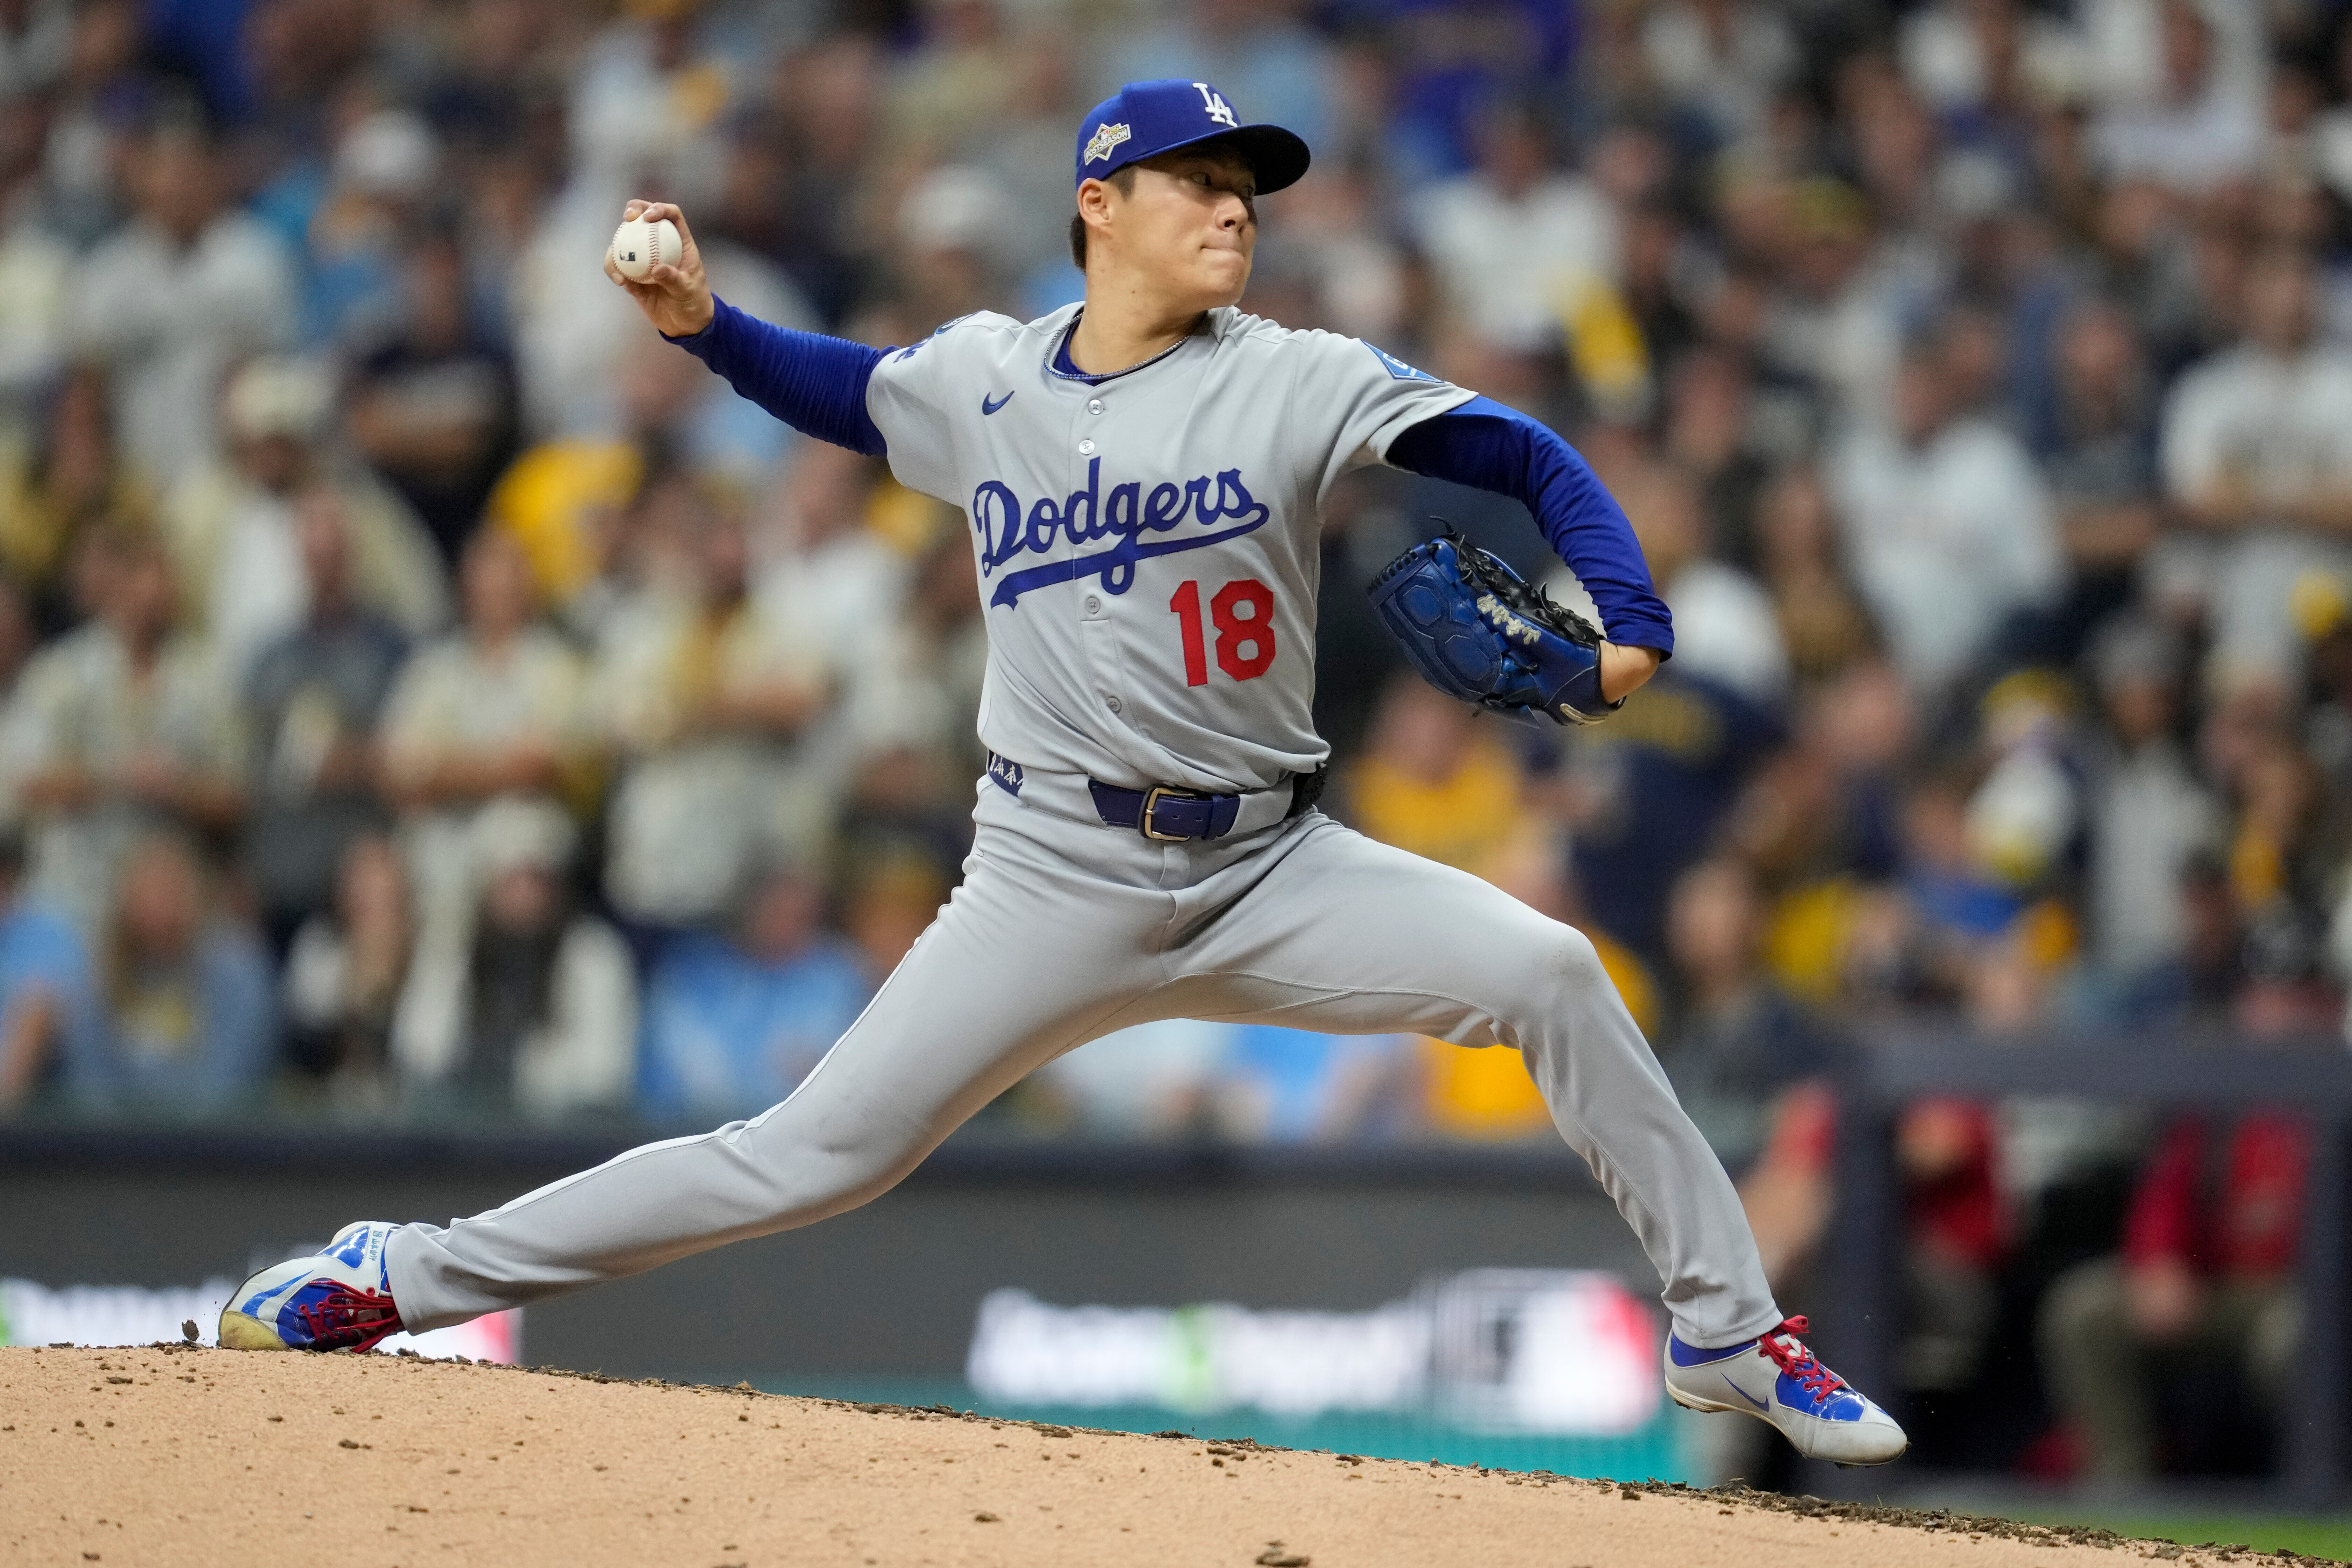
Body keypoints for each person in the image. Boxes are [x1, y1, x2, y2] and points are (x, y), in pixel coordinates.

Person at [220, 78, 1905, 1467]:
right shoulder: (986, 380)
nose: (1235, 205)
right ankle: (397, 1274)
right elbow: (837, 390)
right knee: (806, 1155)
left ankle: (1726, 1327)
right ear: (1099, 201)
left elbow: (1515, 449)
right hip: (1048, 873)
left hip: (1271, 865)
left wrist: (1628, 625)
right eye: (1198, 179)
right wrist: (701, 323)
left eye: (1249, 184)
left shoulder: (1297, 375)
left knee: (1546, 968)